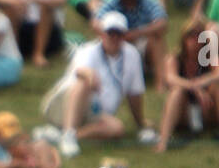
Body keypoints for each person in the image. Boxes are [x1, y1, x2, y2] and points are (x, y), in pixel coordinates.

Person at [38, 12, 155, 159]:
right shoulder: (88, 50)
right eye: (110, 33)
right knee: (83, 83)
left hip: (96, 112)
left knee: (117, 129)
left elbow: (135, 94)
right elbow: (80, 71)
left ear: (124, 35)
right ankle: (68, 133)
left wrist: (140, 124)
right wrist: (90, 75)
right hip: (64, 104)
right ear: (102, 34)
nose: (114, 37)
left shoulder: (132, 55)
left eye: (118, 33)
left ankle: (68, 136)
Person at [156, 24, 219, 150]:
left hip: (206, 109)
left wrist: (204, 80)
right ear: (183, 40)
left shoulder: (209, 57)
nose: (195, 42)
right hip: (184, 112)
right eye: (190, 37)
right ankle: (163, 140)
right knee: (177, 91)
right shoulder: (174, 58)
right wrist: (194, 88)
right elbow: (170, 78)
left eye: (198, 37)